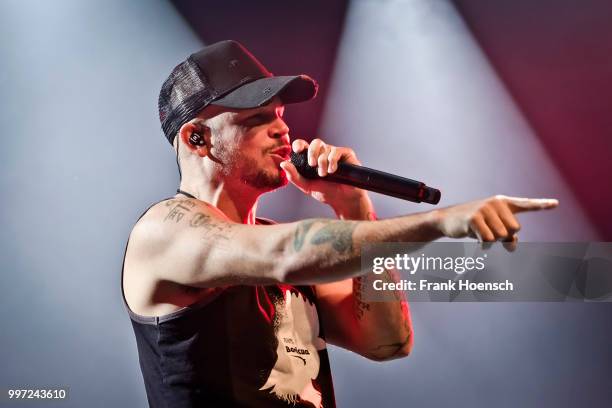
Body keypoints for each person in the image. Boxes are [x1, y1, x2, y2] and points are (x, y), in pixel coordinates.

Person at [121, 40, 558, 407]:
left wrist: (352, 206)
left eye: (279, 116)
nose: (282, 131)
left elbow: (387, 342)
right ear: (197, 138)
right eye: (257, 119)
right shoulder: (164, 232)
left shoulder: (279, 248)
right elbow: (287, 255)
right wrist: (439, 222)